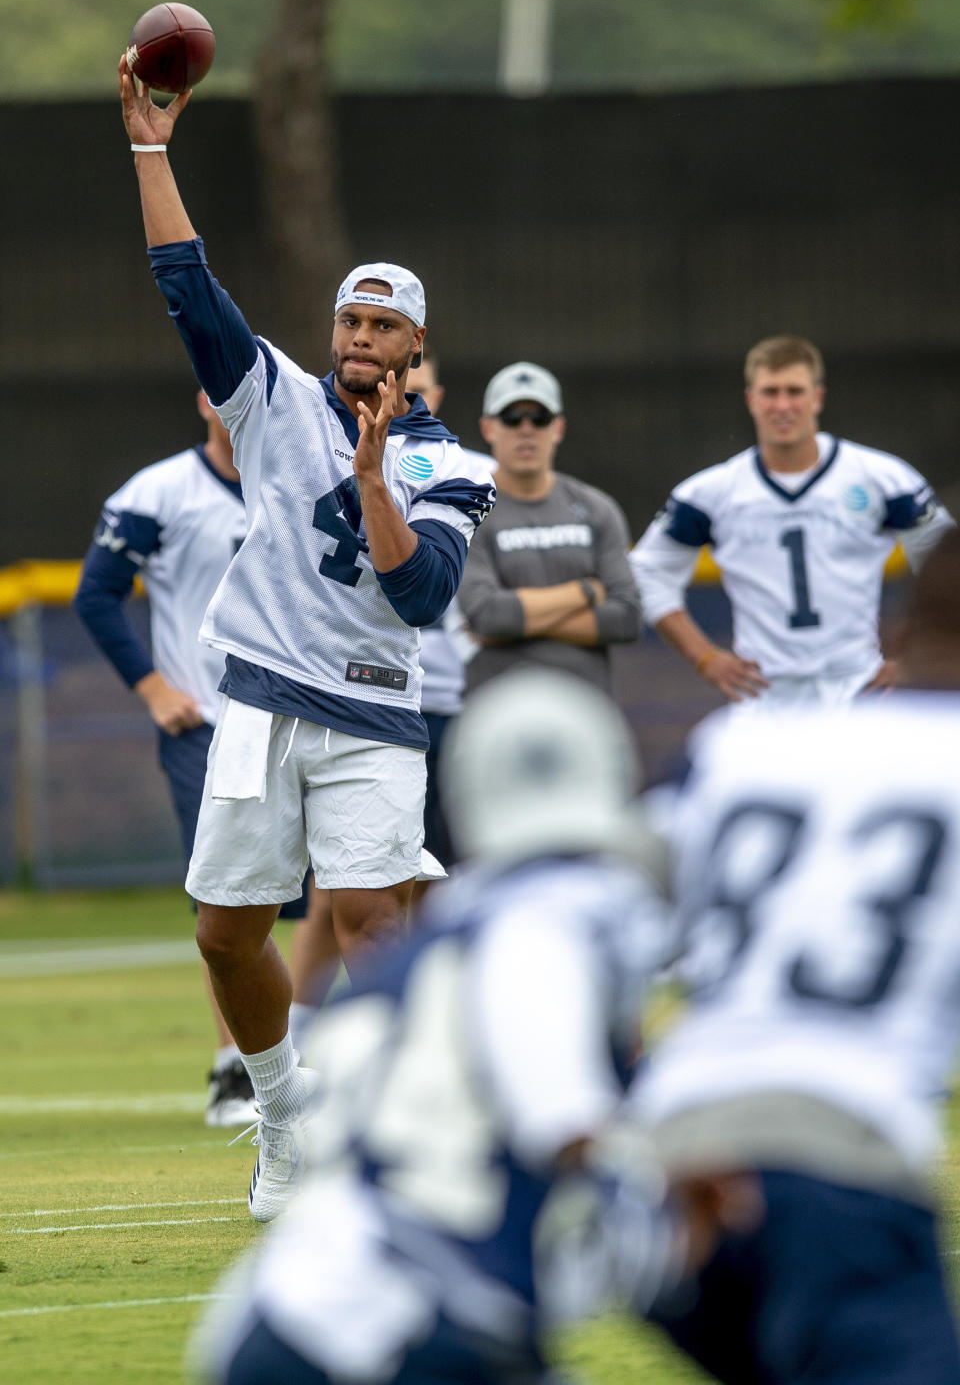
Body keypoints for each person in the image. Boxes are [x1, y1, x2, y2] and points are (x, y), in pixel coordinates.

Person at [117, 59, 495, 1220]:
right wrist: (151, 149)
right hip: (264, 695)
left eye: (384, 325)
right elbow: (190, 288)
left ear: (416, 343)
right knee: (228, 935)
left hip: (376, 708)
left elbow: (421, 593)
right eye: (349, 318)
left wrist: (378, 473)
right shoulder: (274, 395)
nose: (362, 338)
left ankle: (389, 1122)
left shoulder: (449, 464)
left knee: (376, 916)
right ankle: (284, 1112)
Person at [190, 667, 748, 1385]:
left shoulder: (436, 937)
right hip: (400, 1327)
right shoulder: (546, 925)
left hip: (275, 1311)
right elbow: (563, 1120)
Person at [634, 526, 960, 1385]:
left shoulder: (743, 746)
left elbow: (592, 910)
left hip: (665, 1172)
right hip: (837, 1166)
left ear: (894, 635)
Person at [73, 388, 307, 1128]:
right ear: (204, 400)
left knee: (322, 893)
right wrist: (151, 686)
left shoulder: (302, 476)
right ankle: (232, 1070)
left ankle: (293, 1052)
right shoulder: (160, 490)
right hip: (209, 721)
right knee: (227, 897)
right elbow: (96, 594)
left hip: (300, 716)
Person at [630, 334, 954, 706]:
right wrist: (703, 656)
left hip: (859, 689)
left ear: (818, 397)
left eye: (794, 391)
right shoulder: (711, 493)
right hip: (764, 694)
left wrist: (913, 661)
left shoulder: (883, 479)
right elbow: (647, 571)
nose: (782, 405)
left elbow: (947, 570)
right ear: (751, 400)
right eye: (770, 392)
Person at [457, 362, 641, 695]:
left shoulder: (597, 508)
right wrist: (584, 592)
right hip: (496, 711)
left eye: (539, 418)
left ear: (557, 428)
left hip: (586, 709)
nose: (526, 429)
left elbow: (627, 617)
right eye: (511, 418)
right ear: (488, 428)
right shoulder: (469, 512)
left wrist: (517, 624)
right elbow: (488, 615)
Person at [405, 345, 494, 874]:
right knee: (354, 874)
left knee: (466, 857)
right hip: (381, 691)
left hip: (461, 691)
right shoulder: (345, 455)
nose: (406, 395)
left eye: (418, 389)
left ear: (436, 396)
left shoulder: (475, 472)